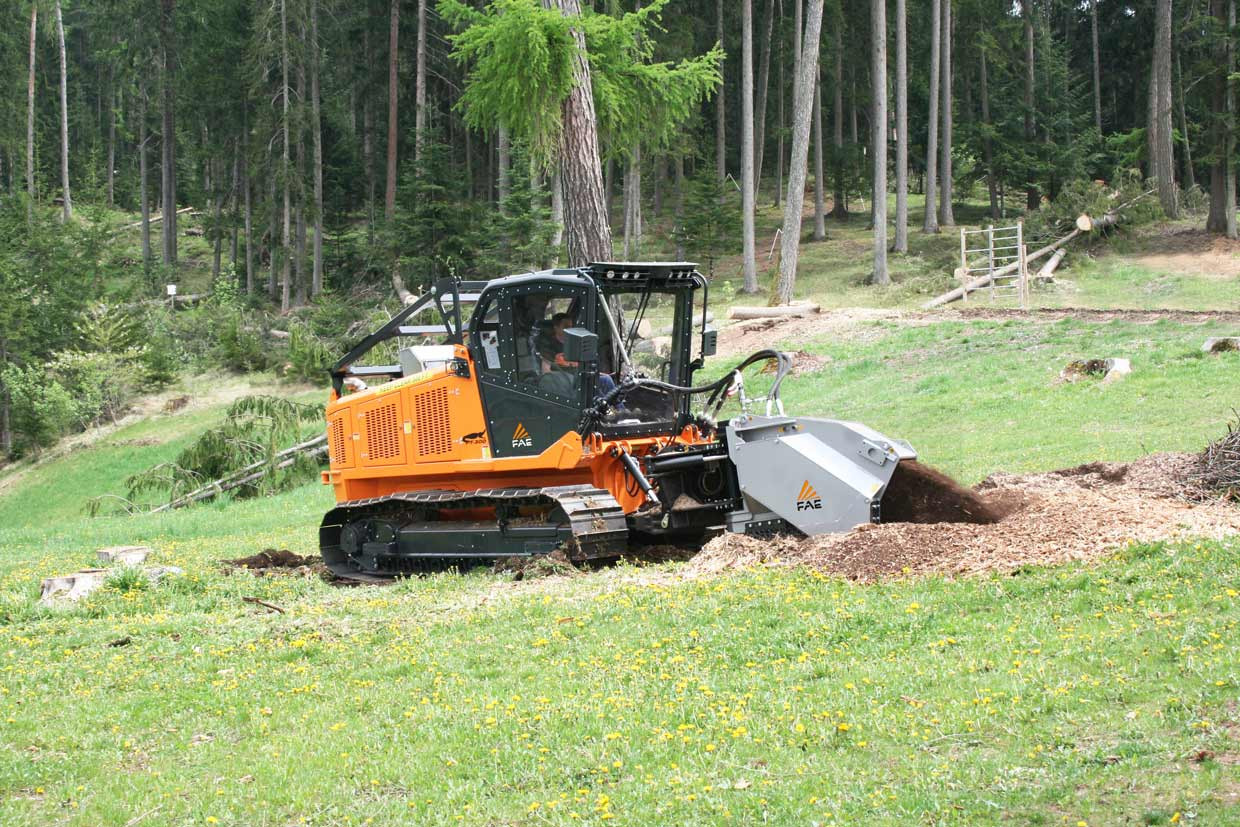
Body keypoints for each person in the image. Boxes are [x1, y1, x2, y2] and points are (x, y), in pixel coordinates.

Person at [538, 312, 617, 397]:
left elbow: (585, 367)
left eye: (571, 326)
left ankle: (619, 408)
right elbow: (546, 373)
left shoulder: (575, 344)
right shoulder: (549, 346)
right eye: (565, 327)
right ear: (556, 328)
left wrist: (601, 374)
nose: (569, 330)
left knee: (607, 380)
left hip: (582, 379)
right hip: (565, 384)